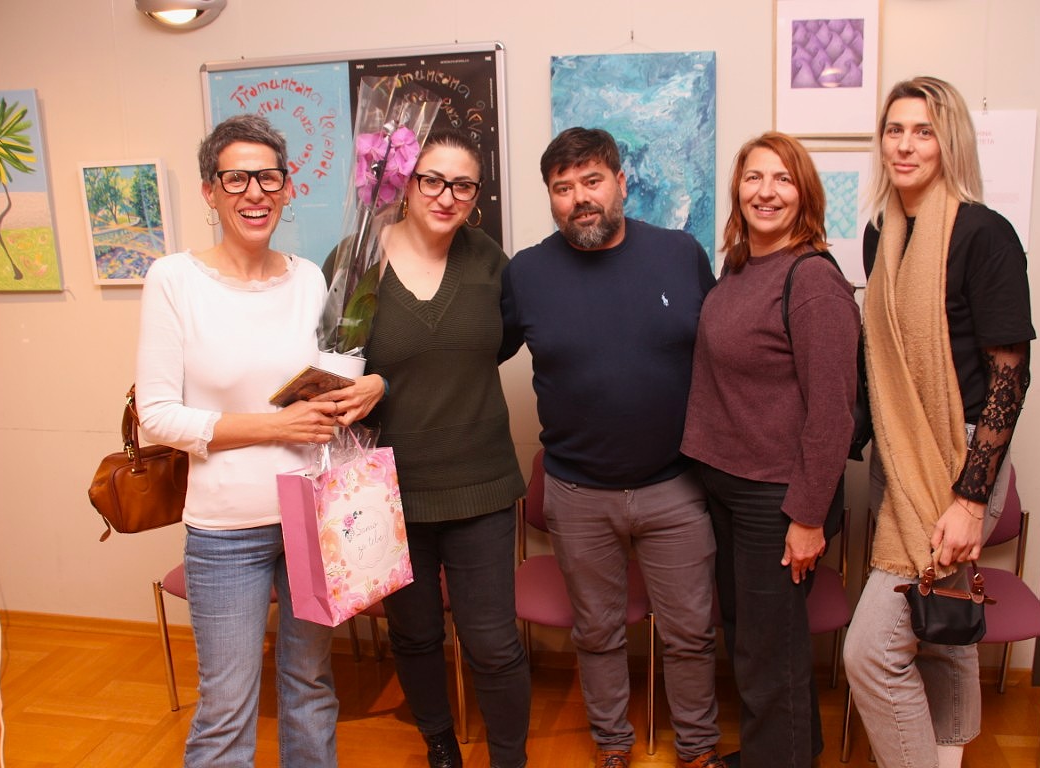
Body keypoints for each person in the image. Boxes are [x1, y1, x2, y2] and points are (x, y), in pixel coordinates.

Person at [500, 127, 726, 768]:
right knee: (596, 633)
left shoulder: (679, 254)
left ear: (621, 183)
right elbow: (473, 351)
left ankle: (698, 748)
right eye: (562, 188)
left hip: (675, 486)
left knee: (689, 633)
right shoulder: (527, 273)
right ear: (550, 197)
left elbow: (725, 353)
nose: (580, 198)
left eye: (592, 181)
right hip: (577, 493)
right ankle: (612, 746)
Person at [135, 114, 346, 767]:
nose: (254, 192)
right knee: (226, 707)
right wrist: (275, 425)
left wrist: (358, 388)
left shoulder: (309, 278)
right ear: (210, 191)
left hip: (309, 516)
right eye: (236, 179)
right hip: (226, 533)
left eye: (268, 177)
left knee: (311, 689)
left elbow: (325, 385)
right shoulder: (174, 279)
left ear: (288, 187)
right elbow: (157, 416)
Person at [842, 76, 1034, 768]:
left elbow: (1009, 377)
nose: (905, 144)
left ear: (948, 141)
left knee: (869, 653)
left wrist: (970, 500)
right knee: (943, 623)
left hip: (965, 460)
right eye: (894, 130)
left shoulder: (986, 234)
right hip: (901, 453)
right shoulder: (880, 234)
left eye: (923, 131)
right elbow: (884, 358)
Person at [346, 128, 530, 768]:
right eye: (432, 180)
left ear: (476, 196)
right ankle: (440, 745)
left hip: (482, 484)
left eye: (463, 185)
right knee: (416, 634)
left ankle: (509, 759)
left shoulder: (489, 261)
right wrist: (383, 382)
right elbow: (335, 364)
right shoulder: (357, 260)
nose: (446, 196)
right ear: (405, 181)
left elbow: (500, 342)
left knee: (493, 643)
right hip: (391, 492)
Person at [681, 132, 860, 768]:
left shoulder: (812, 282)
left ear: (804, 193)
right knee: (758, 641)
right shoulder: (739, 267)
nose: (766, 191)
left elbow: (833, 414)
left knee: (766, 651)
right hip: (730, 485)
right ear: (738, 190)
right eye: (754, 177)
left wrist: (807, 518)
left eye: (783, 179)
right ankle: (786, 753)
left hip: (778, 498)